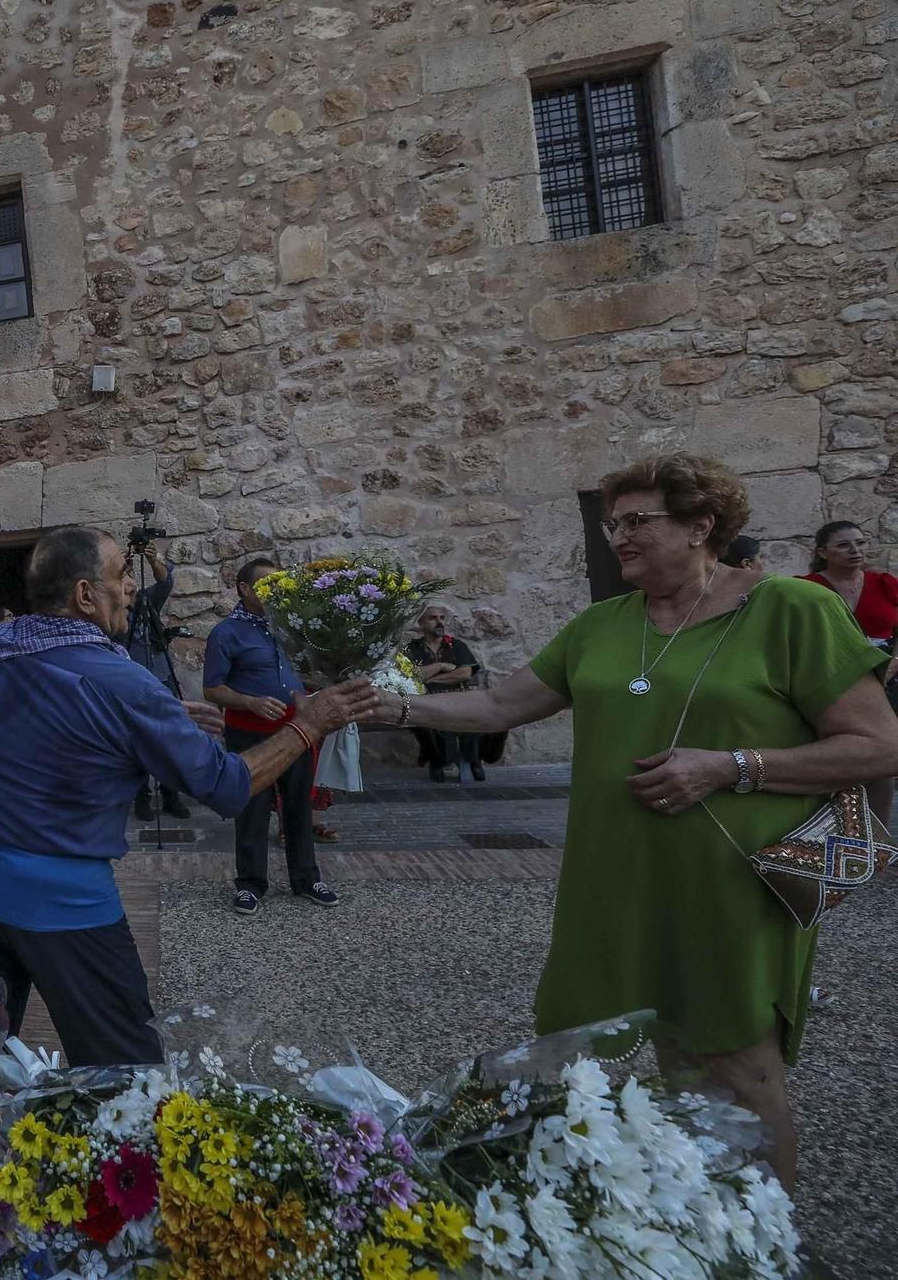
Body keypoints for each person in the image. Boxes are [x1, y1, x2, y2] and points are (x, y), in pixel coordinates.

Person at [370, 453, 898, 1191]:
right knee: (661, 1060)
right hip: (613, 879)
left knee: (739, 1070)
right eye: (611, 522)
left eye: (637, 520)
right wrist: (386, 704)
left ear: (700, 525)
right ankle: (698, 1222)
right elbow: (497, 707)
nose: (617, 535)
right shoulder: (600, 626)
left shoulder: (788, 609)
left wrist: (730, 765)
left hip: (735, 885)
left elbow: (877, 744)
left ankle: (765, 1245)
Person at [0, 526, 375, 1065]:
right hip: (60, 896)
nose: (128, 588)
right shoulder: (125, 683)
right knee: (123, 1069)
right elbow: (226, 784)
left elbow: (47, 728)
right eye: (120, 575)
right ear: (84, 595)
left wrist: (158, 721)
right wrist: (309, 725)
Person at [202, 558, 341, 915]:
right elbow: (212, 689)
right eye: (267, 584)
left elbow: (306, 673)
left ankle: (307, 879)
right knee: (252, 809)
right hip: (249, 735)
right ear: (245, 589)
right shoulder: (226, 633)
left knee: (298, 805)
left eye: (279, 583)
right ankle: (250, 884)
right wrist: (249, 700)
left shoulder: (291, 628)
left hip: (297, 731)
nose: (275, 591)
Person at [797, 519, 898, 825]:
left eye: (861, 542)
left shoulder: (884, 584)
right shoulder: (805, 588)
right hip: (831, 679)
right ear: (823, 552)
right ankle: (833, 830)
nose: (855, 550)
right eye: (844, 545)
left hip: (886, 676)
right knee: (836, 753)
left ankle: (879, 836)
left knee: (882, 758)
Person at [122, 539, 190, 821]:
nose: (129, 583)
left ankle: (170, 793)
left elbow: (165, 583)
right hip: (132, 680)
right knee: (136, 740)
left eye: (129, 576)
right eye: (123, 577)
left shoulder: (148, 599)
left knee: (169, 736)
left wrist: (152, 560)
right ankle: (141, 796)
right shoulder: (112, 612)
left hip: (160, 675)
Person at [404, 605, 485, 783]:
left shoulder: (456, 645)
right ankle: (438, 761)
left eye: (442, 617)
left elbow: (464, 673)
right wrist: (441, 666)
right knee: (428, 722)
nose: (439, 622)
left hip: (458, 697)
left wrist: (430, 678)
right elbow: (413, 675)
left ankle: (471, 760)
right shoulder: (413, 648)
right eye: (433, 618)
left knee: (475, 716)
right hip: (426, 700)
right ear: (421, 623)